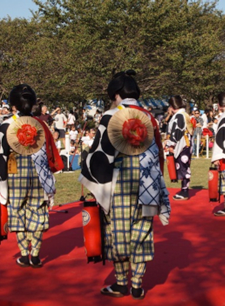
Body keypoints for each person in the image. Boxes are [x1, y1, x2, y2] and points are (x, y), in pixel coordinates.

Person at [80, 70, 170, 300]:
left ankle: (121, 283)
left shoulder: (111, 115)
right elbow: (158, 151)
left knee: (118, 232)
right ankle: (138, 285)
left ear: (117, 94)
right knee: (142, 232)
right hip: (147, 182)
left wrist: (87, 166)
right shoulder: (149, 117)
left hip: (120, 183)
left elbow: (100, 153)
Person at [0, 84, 63, 267]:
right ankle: (35, 254)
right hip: (38, 174)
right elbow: (49, 152)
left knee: (17, 212)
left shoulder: (7, 125)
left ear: (14, 105)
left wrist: (0, 181)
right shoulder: (41, 125)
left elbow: (0, 154)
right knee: (37, 211)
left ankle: (23, 254)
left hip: (15, 174)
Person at [165, 95, 194, 200]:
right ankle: (184, 190)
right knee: (184, 167)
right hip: (185, 144)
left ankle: (185, 191)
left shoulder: (179, 115)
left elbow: (177, 131)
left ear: (172, 106)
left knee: (183, 167)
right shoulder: (184, 114)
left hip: (182, 145)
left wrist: (170, 144)